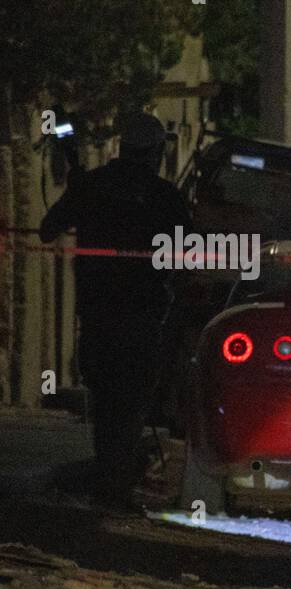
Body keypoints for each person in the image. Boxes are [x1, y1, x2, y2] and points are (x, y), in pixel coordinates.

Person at [39, 112, 192, 509]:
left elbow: (47, 228)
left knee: (107, 405)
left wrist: (79, 193)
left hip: (97, 318)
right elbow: (186, 257)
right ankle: (114, 489)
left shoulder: (93, 187)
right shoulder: (165, 198)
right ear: (155, 153)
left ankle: (110, 485)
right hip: (141, 319)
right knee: (130, 406)